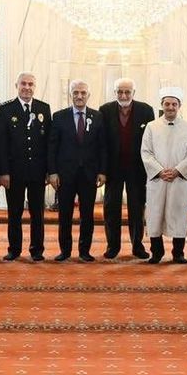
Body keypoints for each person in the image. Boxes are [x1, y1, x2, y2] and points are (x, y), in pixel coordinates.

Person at [48, 80, 106, 261]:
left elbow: (103, 147)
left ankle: (84, 251)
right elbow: (52, 147)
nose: (79, 96)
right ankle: (65, 251)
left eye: (83, 93)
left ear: (88, 95)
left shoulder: (98, 117)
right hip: (65, 175)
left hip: (89, 175)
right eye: (76, 93)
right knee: (65, 215)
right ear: (70, 95)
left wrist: (102, 171)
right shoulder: (59, 116)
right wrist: (52, 172)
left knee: (87, 215)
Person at [0, 73, 52, 261]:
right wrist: (3, 172)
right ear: (16, 85)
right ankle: (14, 249)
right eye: (23, 84)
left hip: (37, 172)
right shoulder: (6, 109)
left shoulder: (44, 108)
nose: (27, 87)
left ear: (35, 87)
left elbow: (48, 143)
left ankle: (37, 250)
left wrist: (48, 171)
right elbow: (1, 144)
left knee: (38, 213)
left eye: (30, 84)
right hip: (14, 172)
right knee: (14, 213)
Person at [140, 87, 187, 264]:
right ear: (162, 105)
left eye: (174, 104)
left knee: (178, 214)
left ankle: (178, 253)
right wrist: (159, 171)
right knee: (155, 214)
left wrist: (177, 170)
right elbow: (146, 152)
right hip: (158, 179)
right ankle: (156, 252)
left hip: (178, 180)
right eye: (167, 104)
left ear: (179, 106)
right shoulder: (151, 127)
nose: (170, 107)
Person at [100, 77, 156, 260]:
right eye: (120, 92)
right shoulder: (105, 110)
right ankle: (112, 246)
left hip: (137, 169)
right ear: (114, 92)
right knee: (111, 209)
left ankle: (137, 246)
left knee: (137, 209)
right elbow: (101, 143)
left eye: (127, 92)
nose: (123, 95)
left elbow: (151, 141)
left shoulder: (146, 110)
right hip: (112, 170)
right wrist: (102, 170)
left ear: (134, 93)